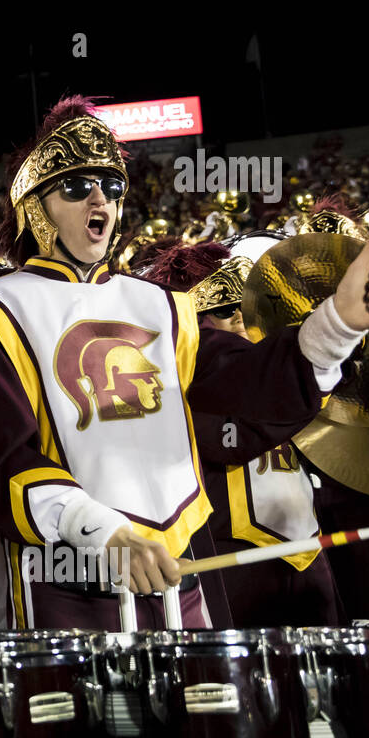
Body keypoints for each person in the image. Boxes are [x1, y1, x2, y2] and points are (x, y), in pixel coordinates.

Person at [0, 96, 369, 632]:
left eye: (113, 186)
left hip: (179, 571)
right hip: (63, 575)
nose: (100, 198)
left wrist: (339, 322)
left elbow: (245, 392)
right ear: (35, 205)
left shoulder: (164, 306)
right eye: (78, 187)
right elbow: (0, 457)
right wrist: (100, 529)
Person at [139, 238, 342, 627]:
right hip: (231, 561)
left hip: (307, 551)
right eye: (222, 310)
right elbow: (238, 437)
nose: (239, 320)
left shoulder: (277, 370)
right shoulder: (184, 383)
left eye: (247, 308)